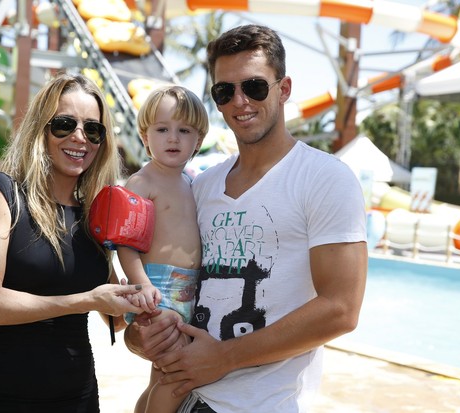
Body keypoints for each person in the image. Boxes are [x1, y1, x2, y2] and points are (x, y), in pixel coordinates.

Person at [124, 24, 368, 412]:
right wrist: (141, 336)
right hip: (186, 395)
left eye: (254, 86)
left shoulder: (325, 178)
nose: (240, 101)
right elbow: (165, 291)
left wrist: (224, 358)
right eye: (225, 91)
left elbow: (341, 309)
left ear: (283, 89)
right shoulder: (200, 186)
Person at [0, 73, 144, 413]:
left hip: (76, 398)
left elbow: (115, 317)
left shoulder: (94, 215)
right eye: (65, 124)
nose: (80, 137)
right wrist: (84, 300)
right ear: (41, 128)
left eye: (93, 129)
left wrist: (139, 296)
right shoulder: (1, 194)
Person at [116, 85, 209, 413]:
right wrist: (142, 284)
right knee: (176, 377)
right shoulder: (143, 182)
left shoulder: (192, 182)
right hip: (158, 289)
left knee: (160, 377)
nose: (173, 138)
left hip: (187, 289)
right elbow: (126, 243)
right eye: (162, 129)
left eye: (184, 130)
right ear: (144, 137)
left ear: (197, 141)